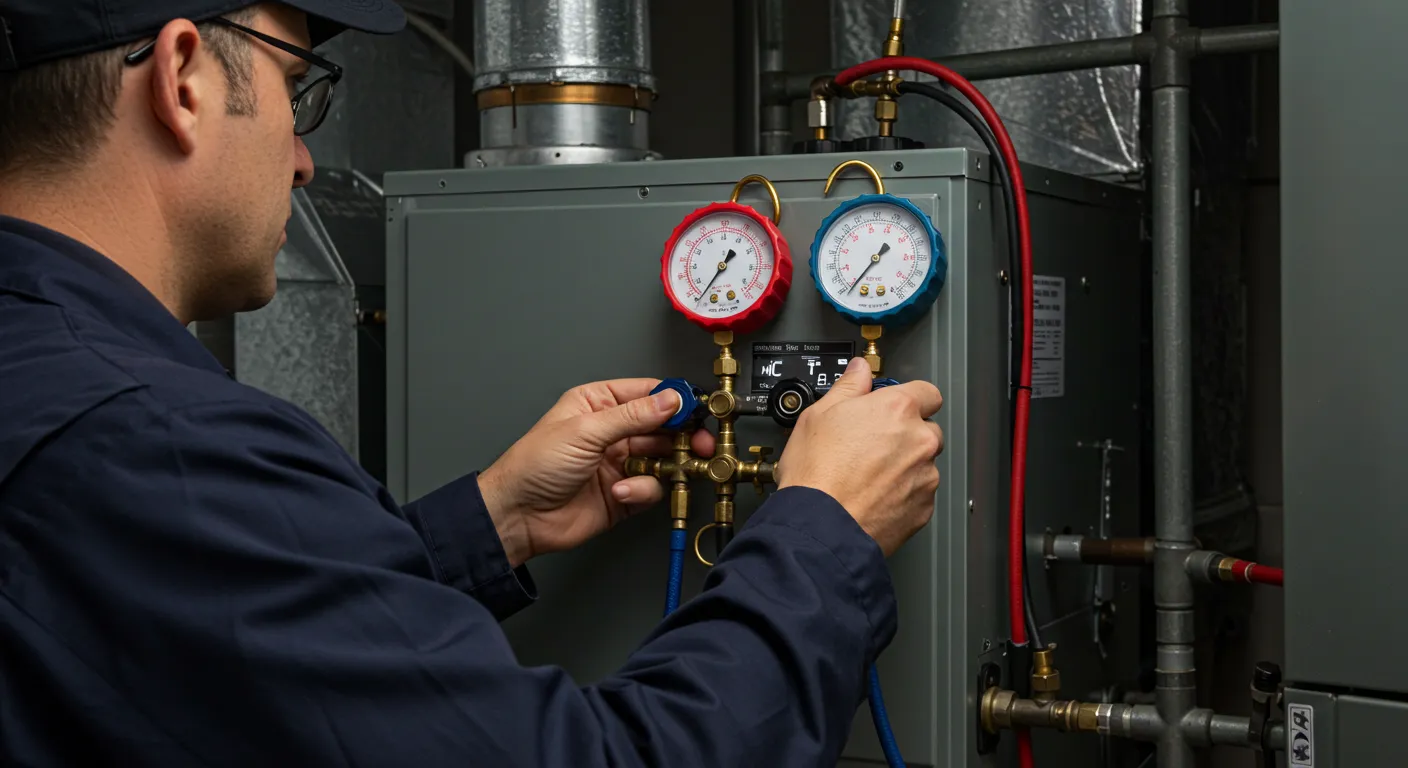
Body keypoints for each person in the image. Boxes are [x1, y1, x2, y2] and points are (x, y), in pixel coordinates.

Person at [0, 1, 945, 765]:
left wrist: (492, 524)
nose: (304, 157)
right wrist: (827, 526)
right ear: (181, 78)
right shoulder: (155, 441)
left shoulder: (53, 383)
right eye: (298, 85)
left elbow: (215, 648)